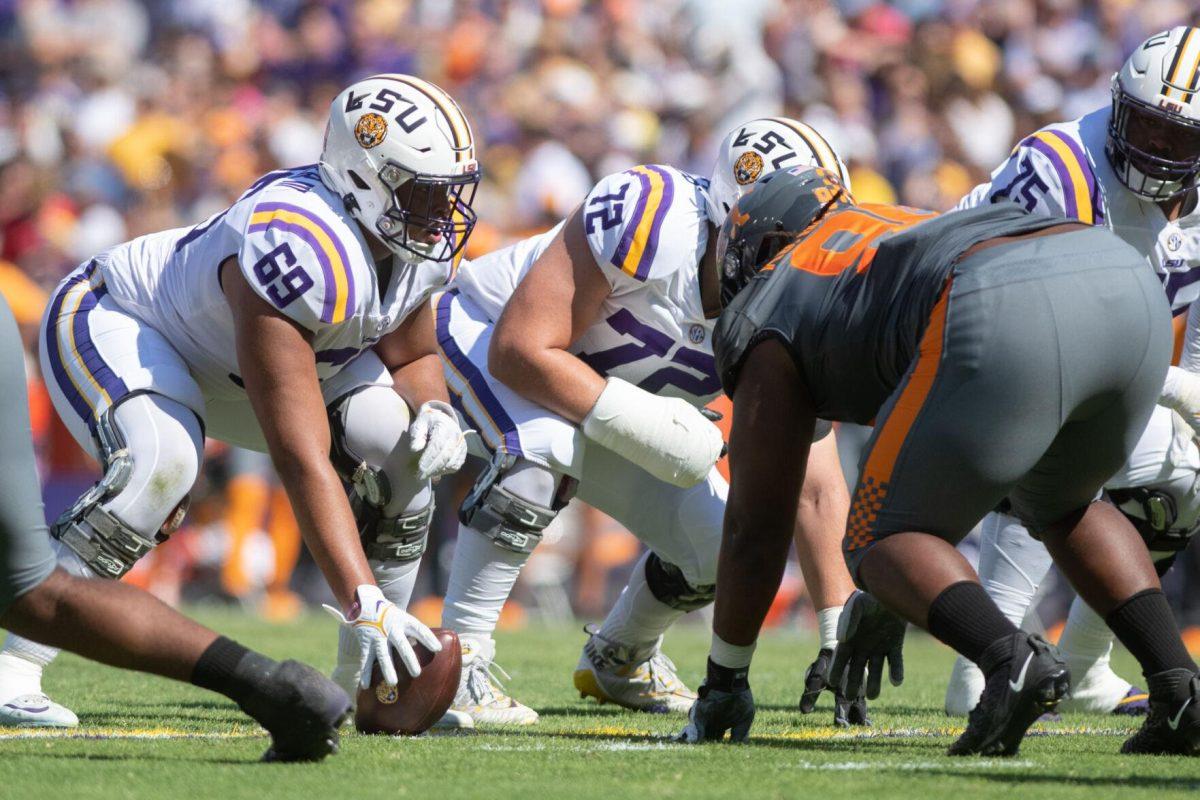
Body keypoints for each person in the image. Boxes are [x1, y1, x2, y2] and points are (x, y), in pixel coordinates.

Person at [680, 165, 1200, 757]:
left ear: (766, 243)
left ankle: (1009, 662)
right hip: (1125, 283)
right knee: (1063, 502)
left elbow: (758, 522)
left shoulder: (773, 292)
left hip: (1000, 295)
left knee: (876, 537)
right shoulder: (889, 226)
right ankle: (1180, 688)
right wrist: (894, 593)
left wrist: (724, 679)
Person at [0, 74, 470, 727]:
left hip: (249, 369)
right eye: (423, 193)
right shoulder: (299, 241)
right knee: (161, 468)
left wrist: (437, 409)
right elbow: (300, 455)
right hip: (129, 324)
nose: (441, 213)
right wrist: (360, 596)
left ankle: (373, 680)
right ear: (364, 176)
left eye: (447, 194)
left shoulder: (408, 244)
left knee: (406, 452)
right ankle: (12, 669)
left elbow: (413, 355)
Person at [434, 118, 861, 726]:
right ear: (728, 217)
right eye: (781, 242)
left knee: (729, 549)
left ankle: (622, 656)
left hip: (593, 393)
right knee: (542, 451)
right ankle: (459, 665)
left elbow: (815, 488)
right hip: (483, 332)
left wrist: (838, 633)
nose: (794, 265)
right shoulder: (652, 218)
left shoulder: (794, 308)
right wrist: (655, 427)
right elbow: (521, 349)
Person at [946, 25, 1200, 717]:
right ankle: (983, 653)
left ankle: (1085, 667)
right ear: (1117, 107)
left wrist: (1179, 394)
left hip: (1063, 371)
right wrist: (1171, 388)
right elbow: (1022, 334)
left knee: (1184, 474)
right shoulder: (1063, 165)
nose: (1156, 151)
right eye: (1147, 127)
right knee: (1058, 440)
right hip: (971, 347)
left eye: (1180, 140)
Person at [0, 289, 349, 760]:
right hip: (108, 323)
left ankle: (311, 676)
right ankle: (270, 682)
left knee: (32, 585)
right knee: (41, 582)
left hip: (191, 363)